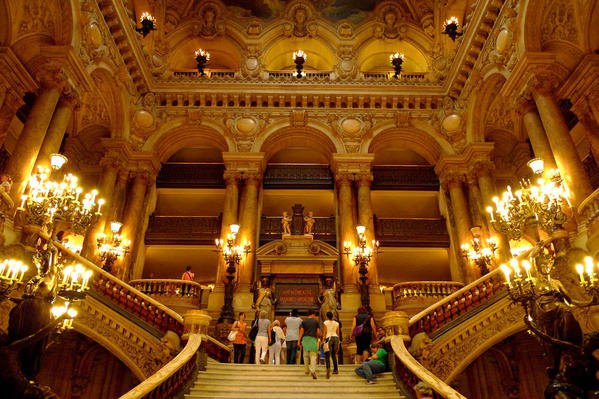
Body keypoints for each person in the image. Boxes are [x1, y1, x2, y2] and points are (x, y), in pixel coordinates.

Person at [298, 309, 320, 379]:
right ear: (313, 314)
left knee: (306, 355)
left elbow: (301, 331)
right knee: (313, 355)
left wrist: (299, 340)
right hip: (313, 339)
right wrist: (318, 338)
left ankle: (306, 370)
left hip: (305, 339)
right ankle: (312, 370)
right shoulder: (316, 322)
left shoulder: (303, 322)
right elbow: (318, 332)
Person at [323, 311, 339, 378]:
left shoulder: (325, 323)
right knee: (333, 355)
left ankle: (328, 368)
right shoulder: (337, 323)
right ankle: (335, 369)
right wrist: (339, 342)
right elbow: (338, 333)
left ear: (327, 316)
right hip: (335, 338)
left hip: (328, 338)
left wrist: (323, 340)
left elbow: (325, 332)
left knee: (327, 355)